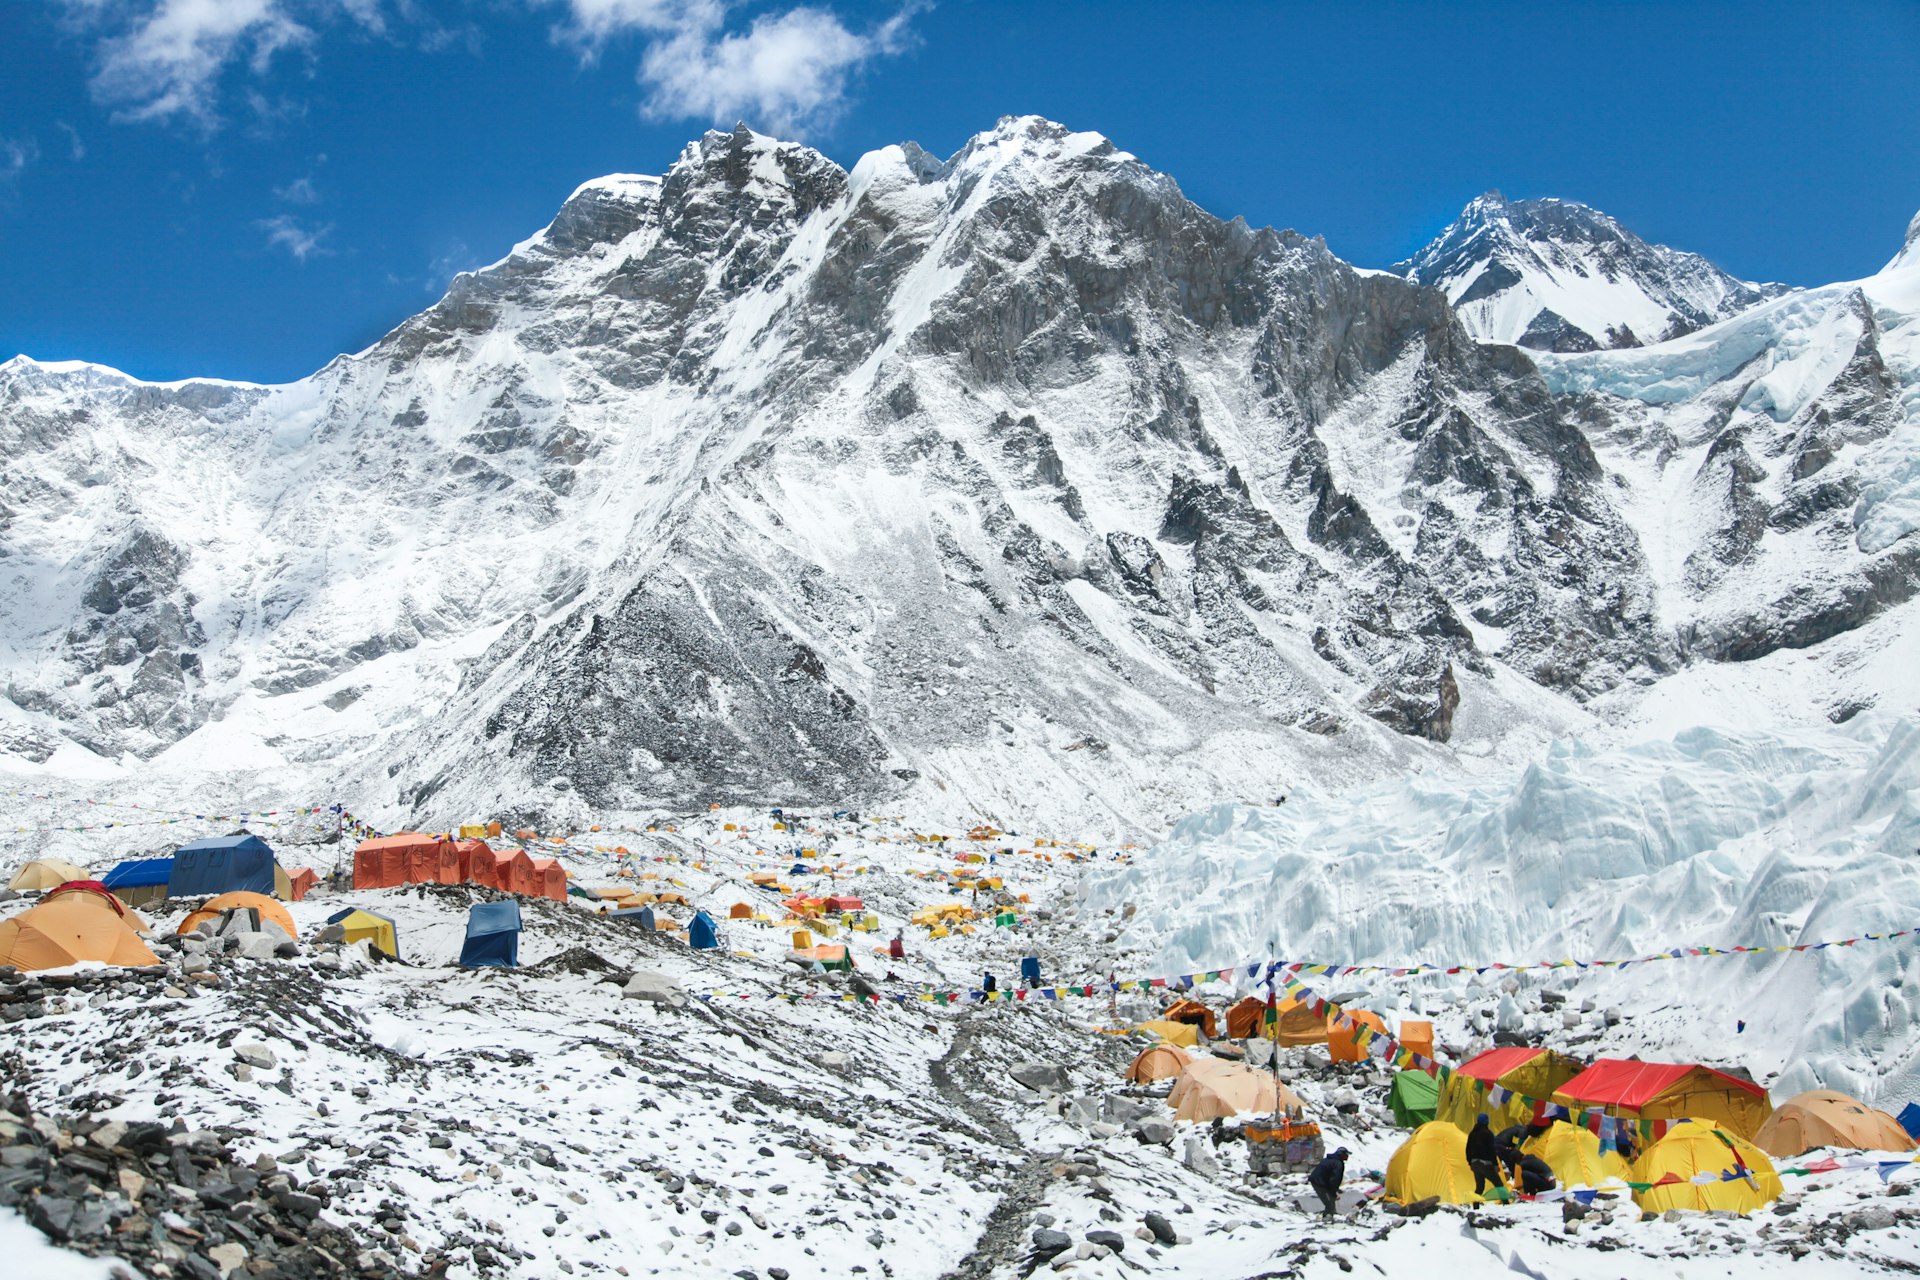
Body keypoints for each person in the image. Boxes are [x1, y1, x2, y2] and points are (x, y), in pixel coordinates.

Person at [1308, 1147, 1350, 1217]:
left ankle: (1328, 1216)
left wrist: (1335, 1190)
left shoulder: (1329, 1160)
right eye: (1346, 1154)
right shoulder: (1338, 1163)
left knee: (1330, 1201)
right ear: (1341, 1155)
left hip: (1318, 1181)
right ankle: (1327, 1219)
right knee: (1330, 1203)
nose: (1347, 1156)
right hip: (1320, 1183)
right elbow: (1334, 1179)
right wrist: (1333, 1192)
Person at [1466, 1114, 1500, 1195]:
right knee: (1498, 1184)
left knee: (1480, 1187)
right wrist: (1495, 1164)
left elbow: (1468, 1149)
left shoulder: (1472, 1133)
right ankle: (1506, 1203)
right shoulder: (1488, 1133)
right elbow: (1491, 1149)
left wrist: (1470, 1162)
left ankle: (1475, 1204)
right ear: (1486, 1121)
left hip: (1474, 1163)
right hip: (1485, 1163)